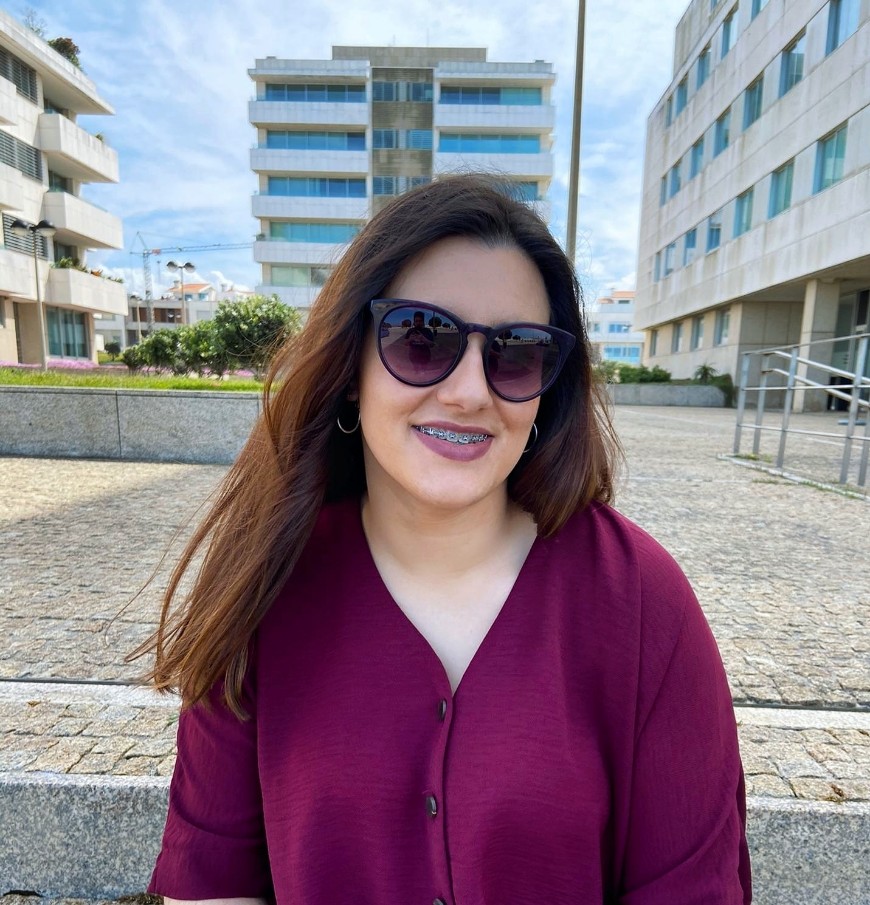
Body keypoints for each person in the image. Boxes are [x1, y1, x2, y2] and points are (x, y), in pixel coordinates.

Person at [141, 174, 751, 904]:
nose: (469, 392)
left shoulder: (642, 602)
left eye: (516, 353)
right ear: (350, 363)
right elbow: (212, 885)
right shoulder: (262, 583)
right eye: (421, 339)